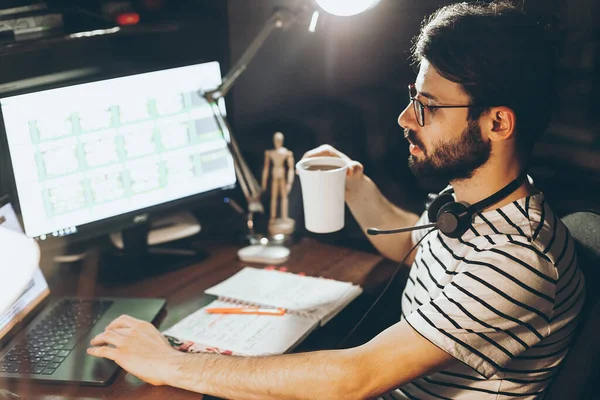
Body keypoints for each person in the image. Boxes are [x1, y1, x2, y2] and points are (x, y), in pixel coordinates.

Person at [87, 2, 585, 398]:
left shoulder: (518, 261)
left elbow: (353, 379)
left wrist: (169, 363)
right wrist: (353, 184)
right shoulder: (469, 210)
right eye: (413, 97)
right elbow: (411, 246)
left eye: (427, 107)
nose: (405, 120)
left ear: (497, 123)